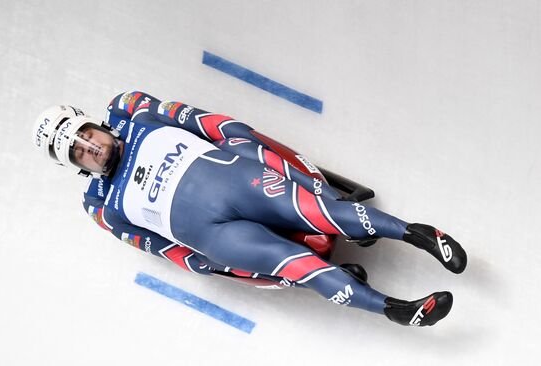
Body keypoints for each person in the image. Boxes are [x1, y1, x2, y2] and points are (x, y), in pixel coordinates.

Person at [32, 91, 467, 327]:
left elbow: (204, 122)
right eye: (79, 153)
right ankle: (396, 310)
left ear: (93, 121)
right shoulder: (99, 206)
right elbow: (158, 247)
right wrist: (205, 264)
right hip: (217, 237)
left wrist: (247, 144)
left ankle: (422, 234)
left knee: (321, 212)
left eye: (87, 135)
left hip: (238, 180)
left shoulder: (132, 110)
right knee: (300, 269)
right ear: (76, 167)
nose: (92, 149)